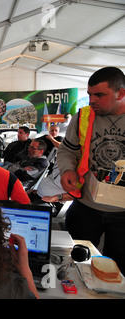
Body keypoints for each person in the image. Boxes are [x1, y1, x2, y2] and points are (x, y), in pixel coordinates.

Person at [57, 66, 125, 272]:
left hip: (123, 213)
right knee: (75, 263)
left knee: (117, 271)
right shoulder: (83, 117)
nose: (92, 100)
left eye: (100, 95)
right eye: (90, 95)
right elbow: (67, 151)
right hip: (86, 206)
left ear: (121, 93)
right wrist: (67, 170)